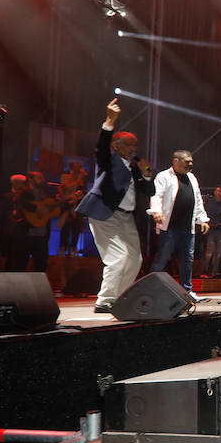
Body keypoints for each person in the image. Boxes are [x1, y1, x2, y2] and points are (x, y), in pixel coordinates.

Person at [75, 99, 155, 312]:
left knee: (135, 259)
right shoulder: (108, 160)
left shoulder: (135, 168)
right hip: (105, 213)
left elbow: (150, 192)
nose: (132, 149)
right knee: (118, 257)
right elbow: (100, 146)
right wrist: (110, 120)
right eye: (128, 145)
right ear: (116, 146)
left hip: (126, 217)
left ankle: (120, 298)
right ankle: (104, 301)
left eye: (134, 146)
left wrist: (146, 174)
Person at [147, 150, 209, 297]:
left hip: (187, 227)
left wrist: (203, 219)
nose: (191, 164)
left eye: (191, 161)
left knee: (187, 260)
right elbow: (157, 195)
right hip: (170, 227)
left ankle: (186, 290)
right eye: (187, 161)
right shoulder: (164, 176)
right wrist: (156, 211)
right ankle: (149, 288)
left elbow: (198, 199)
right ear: (176, 161)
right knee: (162, 257)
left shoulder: (192, 177)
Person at [7, 171, 53, 272]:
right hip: (26, 235)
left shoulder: (46, 194)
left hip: (41, 237)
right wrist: (35, 209)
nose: (42, 180)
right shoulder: (23, 192)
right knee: (20, 266)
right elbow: (18, 201)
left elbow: (53, 209)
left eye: (42, 178)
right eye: (39, 178)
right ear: (31, 180)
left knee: (41, 267)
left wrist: (69, 202)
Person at [56, 160, 88, 255]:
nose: (78, 170)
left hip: (77, 207)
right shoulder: (65, 177)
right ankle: (62, 247)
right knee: (65, 227)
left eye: (79, 168)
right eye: (75, 168)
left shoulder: (81, 181)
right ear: (71, 169)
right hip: (67, 205)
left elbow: (82, 191)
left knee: (76, 228)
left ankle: (74, 247)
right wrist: (80, 179)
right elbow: (69, 187)